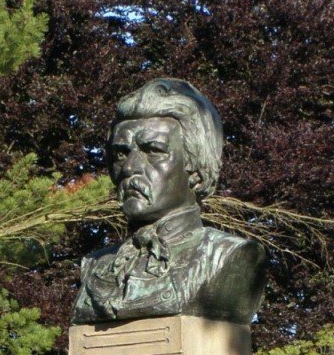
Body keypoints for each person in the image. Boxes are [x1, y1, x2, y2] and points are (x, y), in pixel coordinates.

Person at [72, 78, 266, 327]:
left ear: (195, 166)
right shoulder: (94, 265)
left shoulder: (226, 256)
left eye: (153, 150)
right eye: (121, 153)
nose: (130, 167)